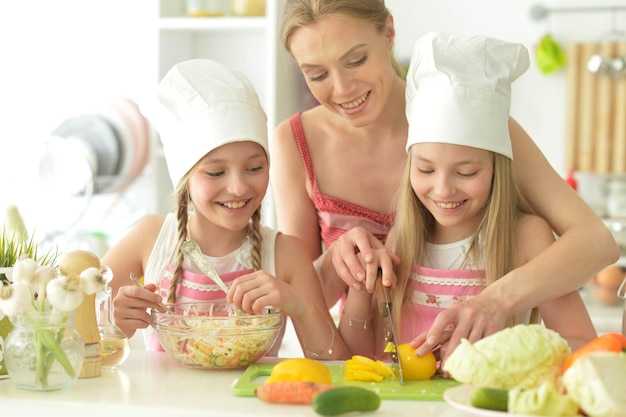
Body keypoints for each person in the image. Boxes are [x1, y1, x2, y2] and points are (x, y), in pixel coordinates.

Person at [270, 0, 618, 362]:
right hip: (373, 360)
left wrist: (494, 302)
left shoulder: (472, 120)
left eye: (356, 60)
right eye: (317, 74)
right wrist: (341, 261)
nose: (342, 89)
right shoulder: (293, 142)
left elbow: (596, 243)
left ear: (389, 33)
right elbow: (303, 299)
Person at [338, 32, 597, 365]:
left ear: (495, 170)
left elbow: (584, 344)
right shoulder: (405, 237)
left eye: (466, 173)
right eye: (426, 170)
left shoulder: (526, 238)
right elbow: (363, 354)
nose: (444, 190)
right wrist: (360, 282)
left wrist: (506, 356)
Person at [102, 59, 350, 360]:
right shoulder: (151, 238)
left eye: (254, 167)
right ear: (185, 178)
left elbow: (336, 366)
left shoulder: (286, 254)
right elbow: (74, 333)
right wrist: (113, 325)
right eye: (216, 173)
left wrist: (299, 305)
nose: (238, 188)